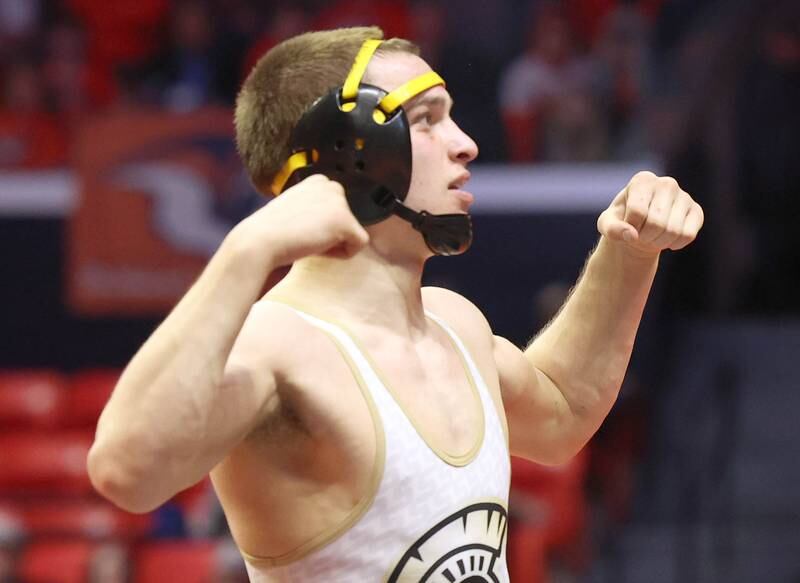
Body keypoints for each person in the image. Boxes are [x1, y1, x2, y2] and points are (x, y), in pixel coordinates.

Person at [87, 26, 704, 581]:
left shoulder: (454, 324)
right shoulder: (279, 345)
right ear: (346, 149)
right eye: (428, 120)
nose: (465, 145)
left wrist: (628, 252)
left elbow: (563, 413)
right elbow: (127, 470)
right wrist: (246, 252)